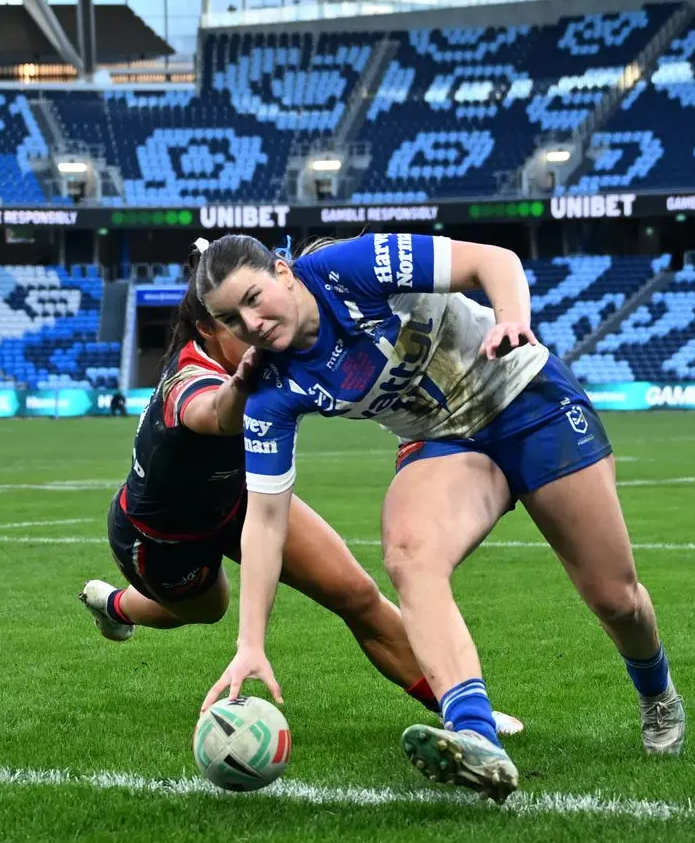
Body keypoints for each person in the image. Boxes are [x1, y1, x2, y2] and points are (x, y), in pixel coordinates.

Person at [194, 232, 684, 804]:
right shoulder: (269, 388)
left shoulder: (347, 268)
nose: (250, 323)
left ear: (282, 270)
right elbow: (266, 519)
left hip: (525, 399)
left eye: (253, 298)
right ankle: (477, 740)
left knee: (616, 599)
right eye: (231, 318)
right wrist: (249, 643)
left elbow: (492, 260)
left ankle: (658, 695)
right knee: (409, 552)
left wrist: (511, 320)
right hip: (443, 441)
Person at [78, 239, 522, 736]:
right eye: (233, 323)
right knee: (210, 607)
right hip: (160, 538)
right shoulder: (189, 377)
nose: (253, 331)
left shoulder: (274, 351)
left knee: (356, 593)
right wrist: (240, 385)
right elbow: (215, 414)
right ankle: (114, 605)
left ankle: (461, 711)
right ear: (209, 328)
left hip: (241, 502)